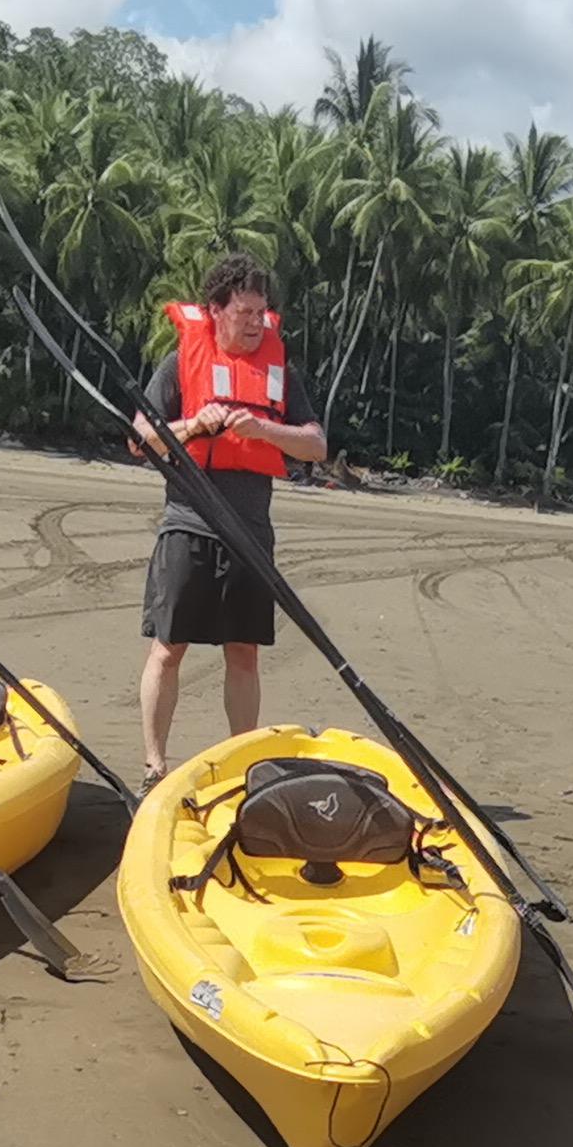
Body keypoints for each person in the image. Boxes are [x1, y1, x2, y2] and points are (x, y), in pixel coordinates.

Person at [133, 253, 329, 788]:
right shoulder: (178, 365)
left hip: (250, 531)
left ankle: (239, 762)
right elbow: (140, 437)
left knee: (243, 653)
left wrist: (266, 432)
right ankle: (154, 765)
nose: (254, 322)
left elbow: (315, 444)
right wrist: (195, 423)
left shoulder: (281, 373)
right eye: (244, 311)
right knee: (168, 648)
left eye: (261, 312)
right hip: (188, 523)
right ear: (215, 310)